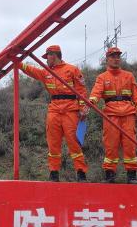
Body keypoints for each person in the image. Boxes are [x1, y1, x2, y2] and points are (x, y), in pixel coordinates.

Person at [19, 45, 88, 182]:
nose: (46, 60)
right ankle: (54, 173)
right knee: (53, 143)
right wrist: (19, 64)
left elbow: (81, 90)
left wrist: (82, 108)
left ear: (54, 55)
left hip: (71, 110)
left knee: (74, 142)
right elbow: (32, 71)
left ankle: (81, 173)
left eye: (47, 57)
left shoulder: (72, 69)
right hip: (54, 110)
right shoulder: (46, 72)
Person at [88, 47, 137, 184]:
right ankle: (110, 176)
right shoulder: (102, 77)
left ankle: (131, 176)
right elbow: (96, 92)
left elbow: (136, 94)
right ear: (107, 59)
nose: (116, 59)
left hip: (128, 114)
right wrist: (91, 101)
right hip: (111, 115)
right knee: (110, 145)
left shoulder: (129, 75)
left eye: (118, 56)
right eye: (113, 56)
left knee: (130, 145)